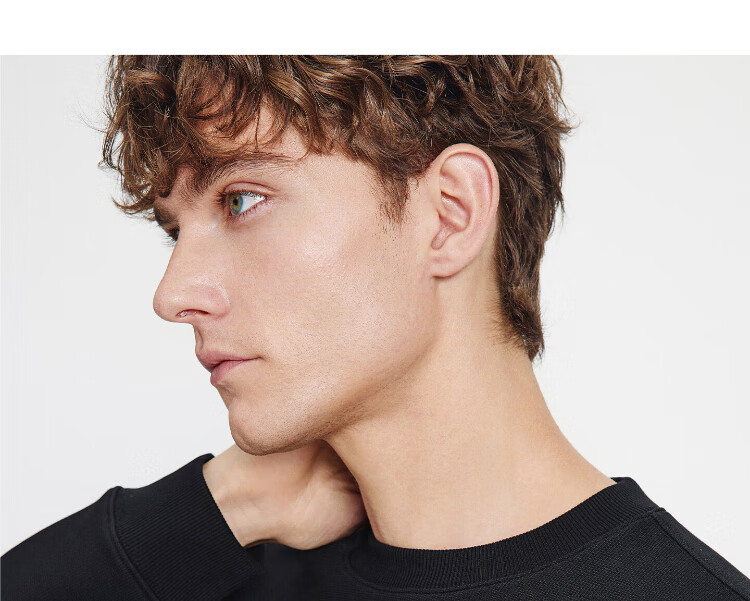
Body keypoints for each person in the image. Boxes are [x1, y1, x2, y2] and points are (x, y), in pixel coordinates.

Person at [2, 55, 749, 600]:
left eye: (239, 200)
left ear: (450, 213)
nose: (172, 295)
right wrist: (224, 506)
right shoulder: (226, 560)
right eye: (175, 231)